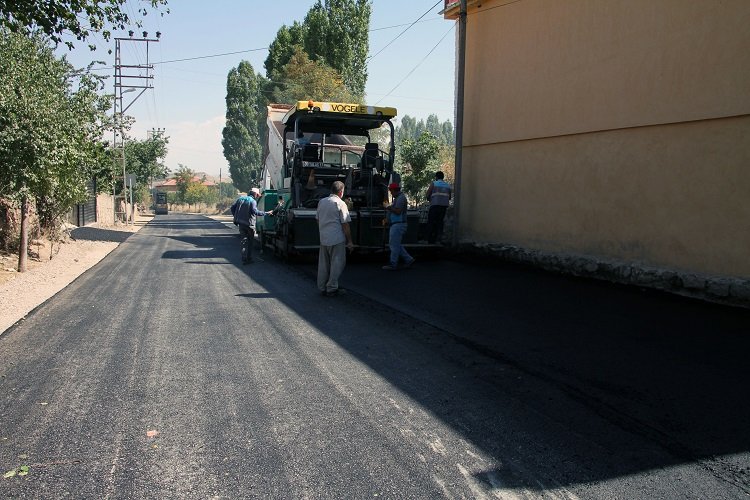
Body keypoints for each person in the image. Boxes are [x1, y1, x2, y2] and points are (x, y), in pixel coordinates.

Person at [316, 181, 354, 296]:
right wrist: (350, 241)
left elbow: (317, 219)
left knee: (323, 264)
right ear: (341, 192)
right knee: (337, 263)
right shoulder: (341, 203)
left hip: (324, 238)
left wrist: (323, 231)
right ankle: (332, 287)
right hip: (336, 238)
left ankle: (321, 287)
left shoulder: (321, 202)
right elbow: (345, 224)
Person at [230, 188, 273, 264]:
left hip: (241, 224)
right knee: (250, 242)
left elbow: (232, 208)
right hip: (250, 225)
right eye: (257, 195)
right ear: (255, 194)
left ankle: (243, 258)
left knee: (243, 241)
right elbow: (255, 212)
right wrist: (267, 213)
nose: (257, 196)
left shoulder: (240, 199)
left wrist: (236, 216)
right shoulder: (253, 201)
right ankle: (249, 259)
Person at [383, 183, 415, 271]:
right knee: (396, 244)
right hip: (397, 224)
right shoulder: (399, 198)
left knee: (393, 245)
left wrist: (388, 207)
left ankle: (393, 264)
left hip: (398, 224)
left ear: (394, 190)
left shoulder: (400, 198)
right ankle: (409, 259)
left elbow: (398, 211)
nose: (391, 193)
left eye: (391, 191)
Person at [425, 171, 452, 244]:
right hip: (443, 207)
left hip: (434, 205)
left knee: (432, 222)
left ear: (436, 177)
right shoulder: (448, 185)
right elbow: (449, 197)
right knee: (440, 222)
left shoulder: (434, 183)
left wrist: (429, 199)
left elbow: (428, 194)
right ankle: (439, 239)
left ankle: (430, 240)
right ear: (443, 177)